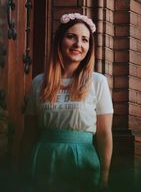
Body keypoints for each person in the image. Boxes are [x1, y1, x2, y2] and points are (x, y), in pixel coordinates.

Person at [21, 13, 113, 192]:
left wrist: (104, 176)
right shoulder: (39, 82)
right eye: (71, 37)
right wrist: (22, 171)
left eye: (85, 40)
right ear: (60, 41)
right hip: (43, 159)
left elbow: (104, 134)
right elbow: (29, 133)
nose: (78, 44)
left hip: (83, 160)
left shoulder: (97, 82)